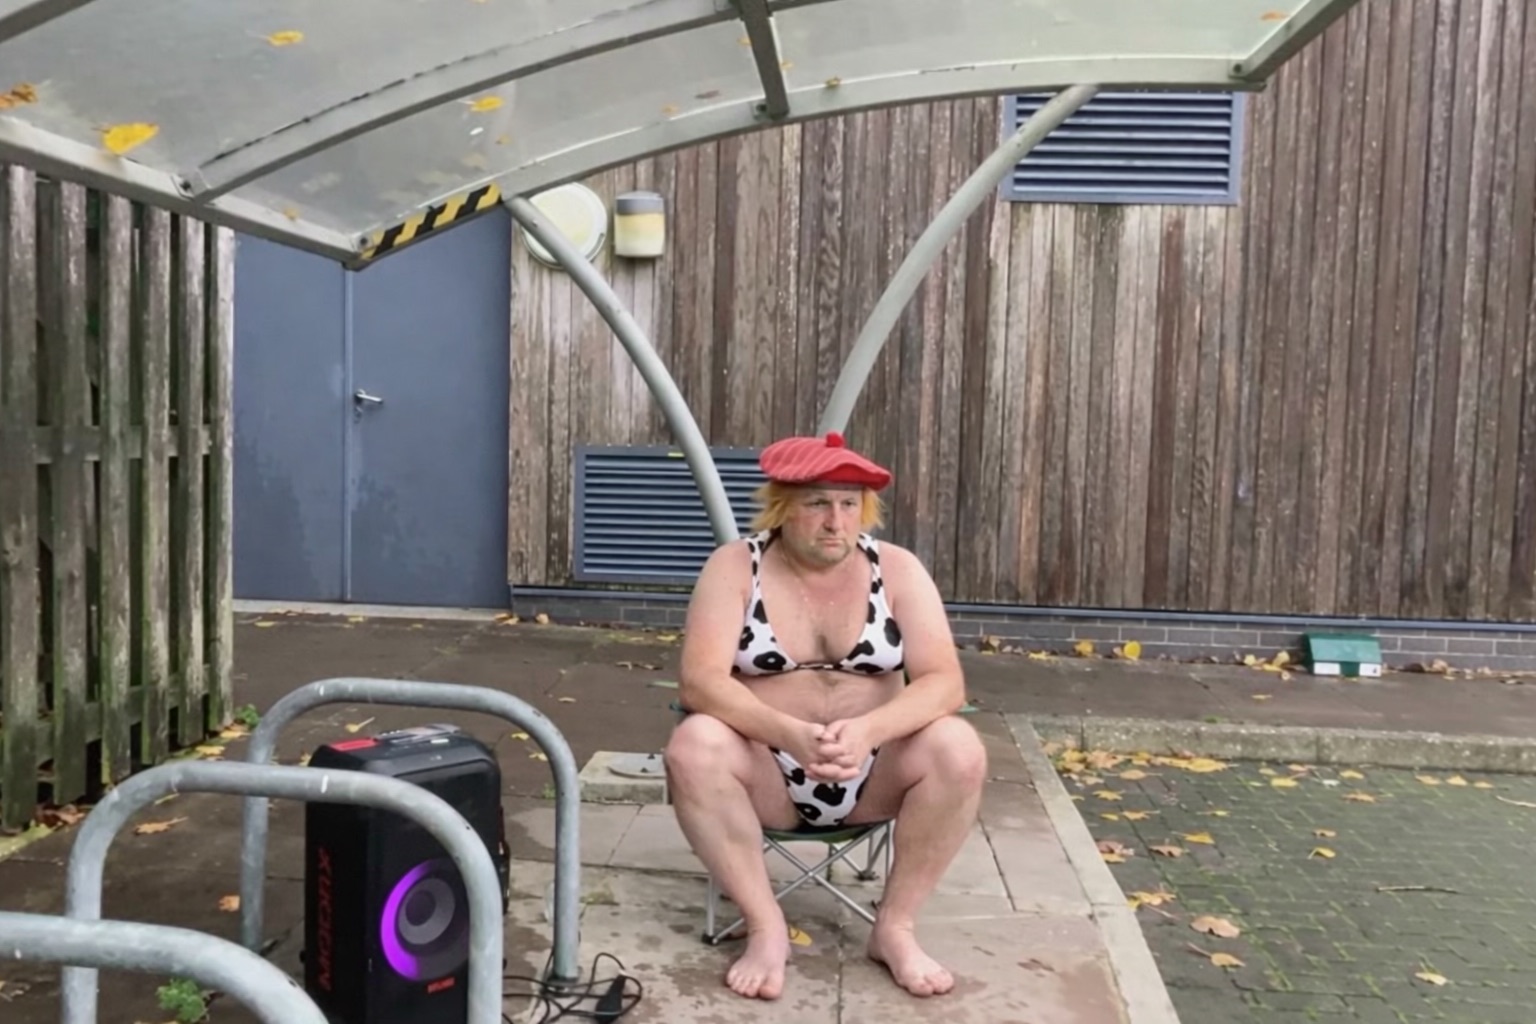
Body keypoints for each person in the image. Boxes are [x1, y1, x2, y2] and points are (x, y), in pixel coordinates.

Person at [665, 431, 987, 1001]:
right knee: (694, 744)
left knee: (960, 747)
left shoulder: (898, 568)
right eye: (817, 503)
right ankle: (766, 927)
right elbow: (701, 681)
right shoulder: (736, 566)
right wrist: (788, 733)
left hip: (874, 771)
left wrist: (868, 732)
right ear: (781, 506)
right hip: (767, 772)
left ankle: (895, 928)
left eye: (849, 503)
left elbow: (944, 681)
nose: (836, 521)